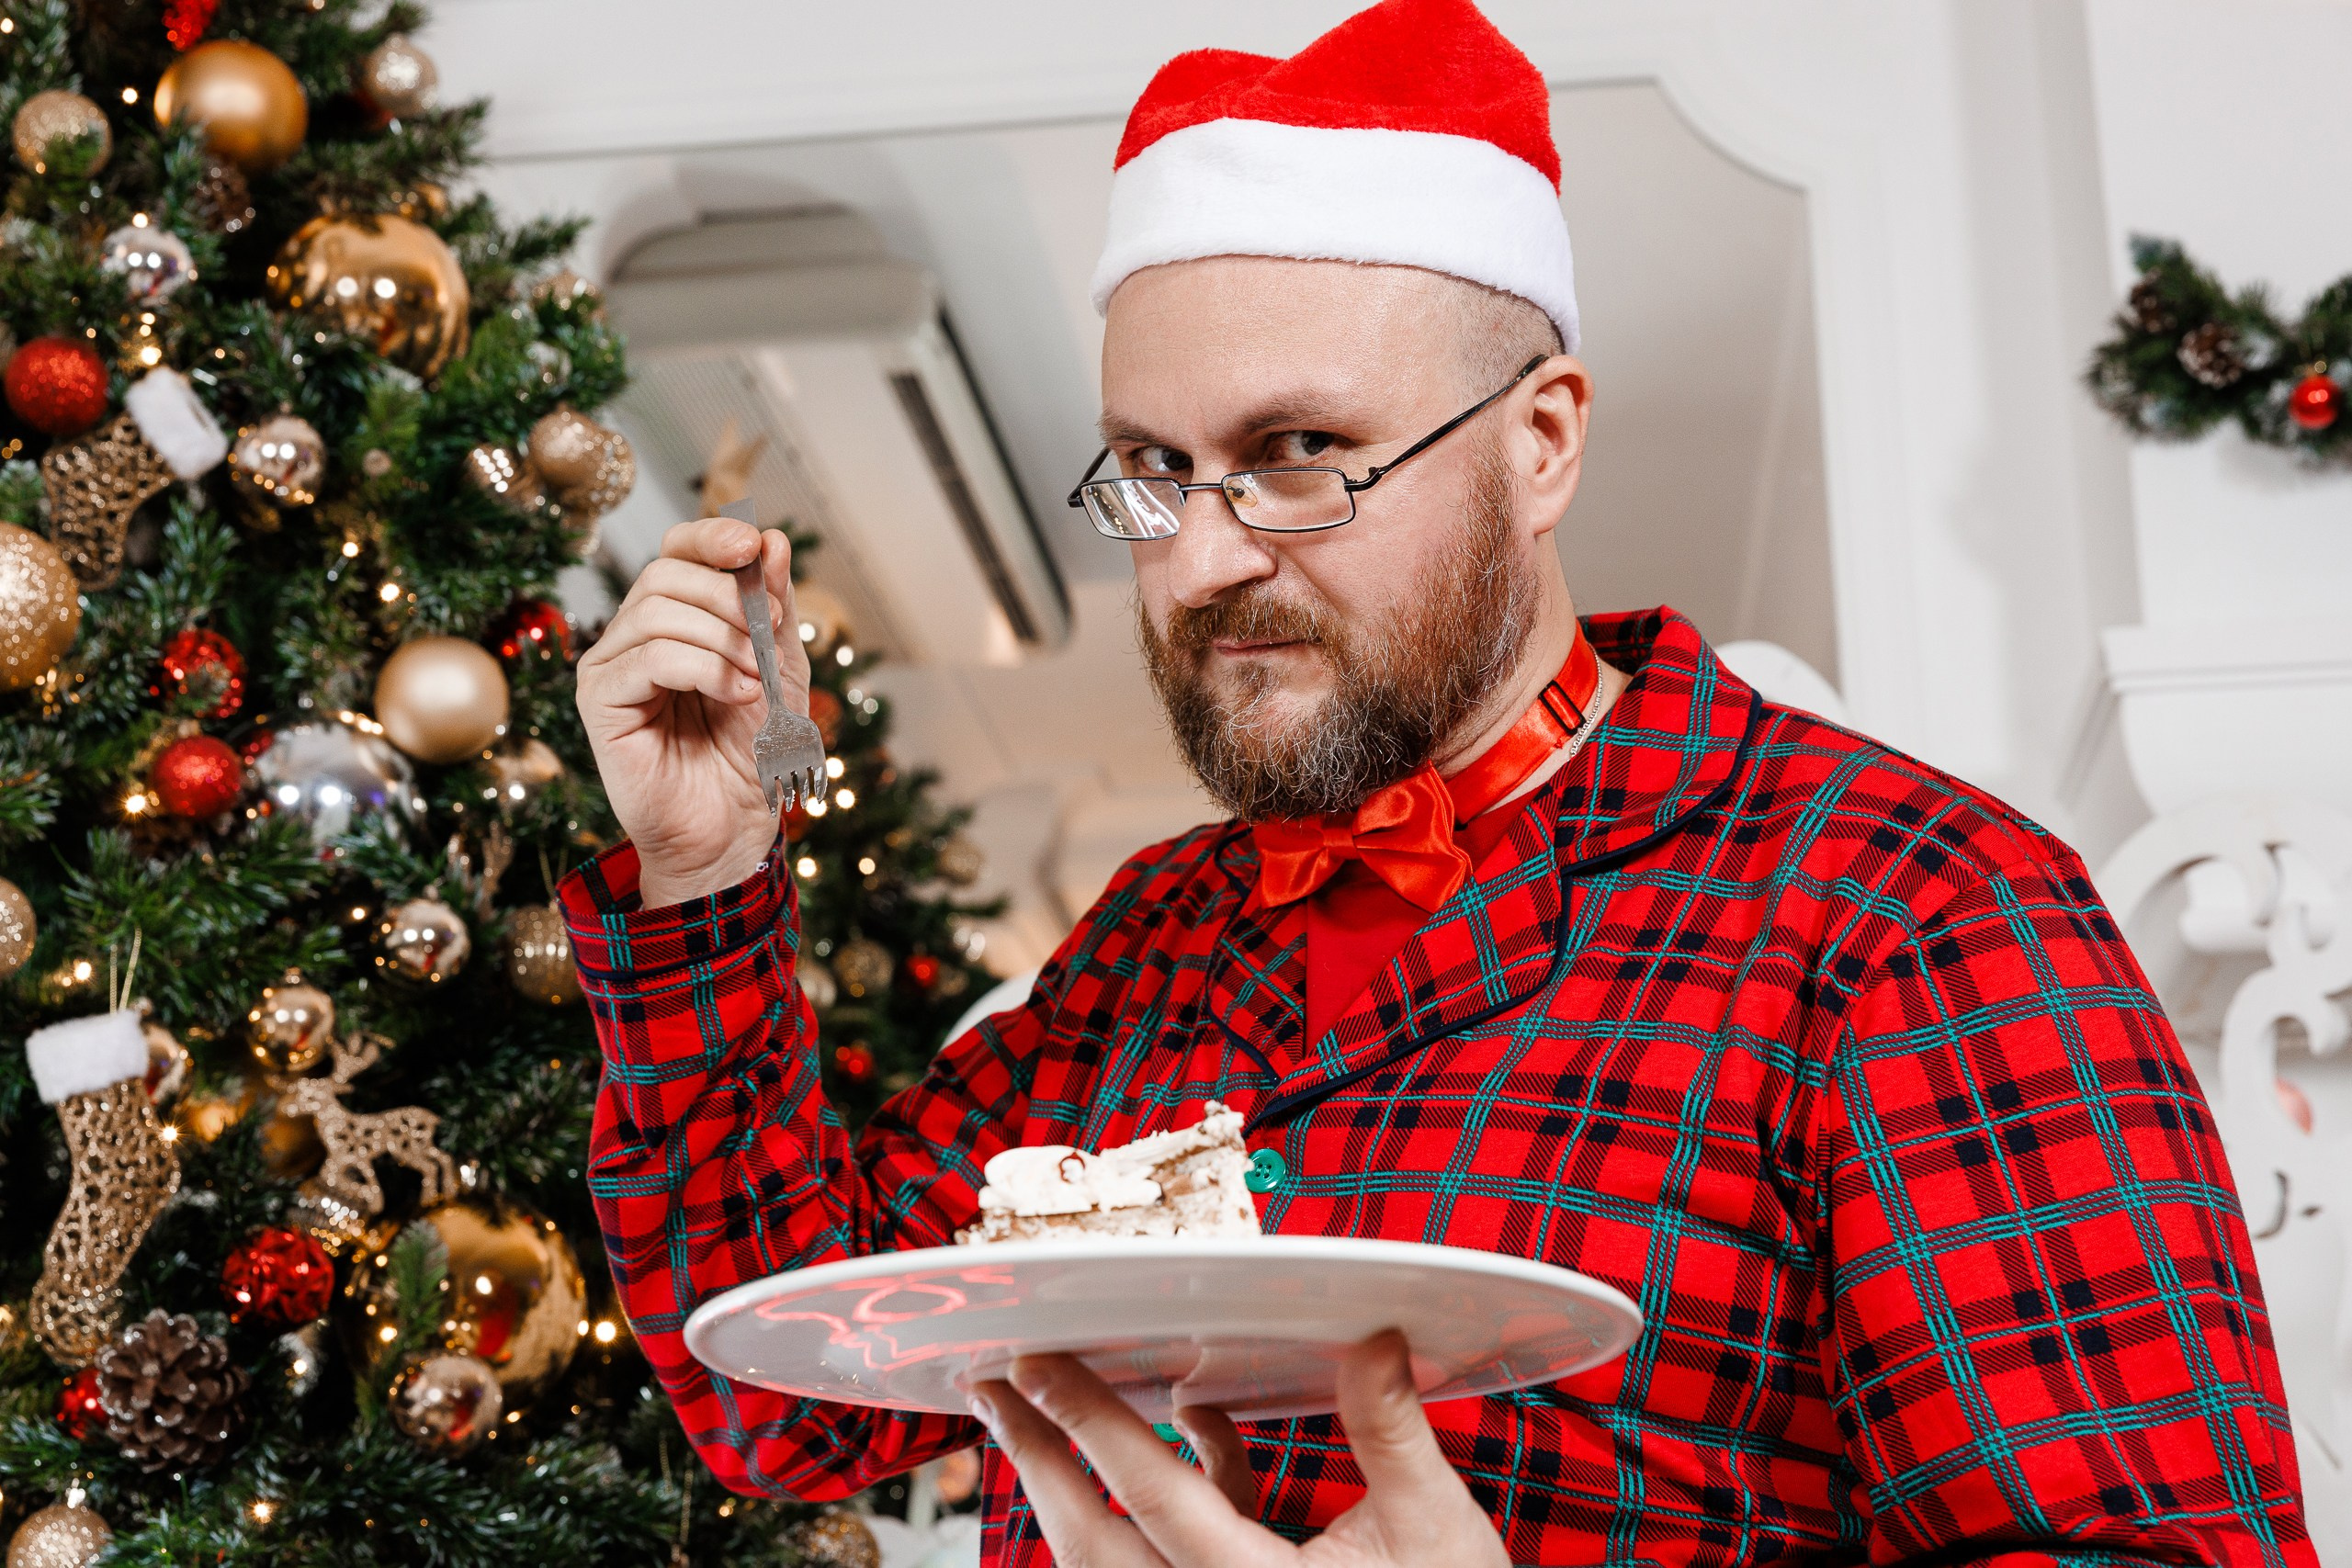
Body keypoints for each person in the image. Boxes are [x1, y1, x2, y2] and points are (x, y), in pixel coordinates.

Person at [564, 1, 2316, 1562]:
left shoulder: (1913, 905)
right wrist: (707, 889)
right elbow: (798, 1398)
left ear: (1541, 441)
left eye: (1300, 455)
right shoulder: (1146, 940)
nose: (1200, 562)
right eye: (1155, 472)